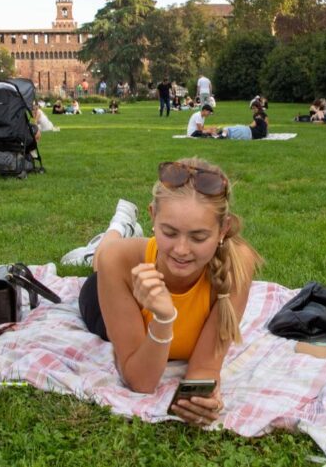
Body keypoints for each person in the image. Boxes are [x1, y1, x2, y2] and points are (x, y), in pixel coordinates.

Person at [74, 159, 262, 424]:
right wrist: (163, 320)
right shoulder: (119, 262)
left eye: (198, 237)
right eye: (169, 232)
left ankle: (122, 232)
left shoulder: (237, 266)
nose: (182, 250)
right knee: (102, 257)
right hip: (103, 295)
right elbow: (141, 381)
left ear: (223, 229)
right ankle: (117, 228)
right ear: (153, 217)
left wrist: (204, 398)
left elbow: (205, 368)